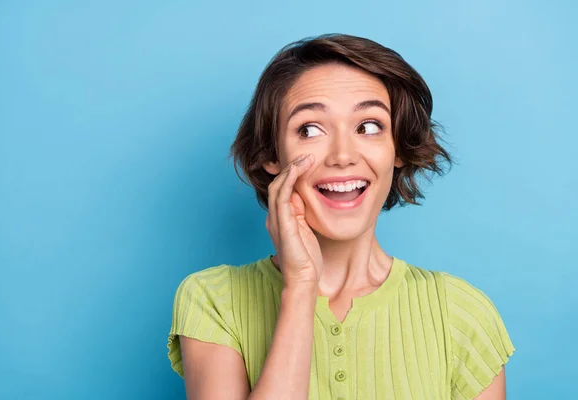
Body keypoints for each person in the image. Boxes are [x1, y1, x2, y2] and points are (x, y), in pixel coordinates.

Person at [167, 33, 515, 399]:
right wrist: (301, 286)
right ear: (272, 156)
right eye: (310, 129)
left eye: (368, 126)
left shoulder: (461, 313)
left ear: (397, 148)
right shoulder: (213, 300)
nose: (343, 155)